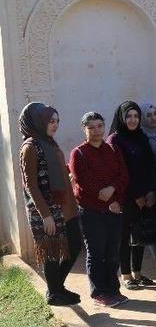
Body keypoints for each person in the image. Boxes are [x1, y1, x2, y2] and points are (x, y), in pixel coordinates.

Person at [18, 103, 82, 306]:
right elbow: (31, 185)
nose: (55, 125)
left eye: (57, 121)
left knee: (74, 245)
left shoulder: (49, 143)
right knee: (52, 251)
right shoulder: (30, 147)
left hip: (63, 205)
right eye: (50, 121)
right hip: (45, 209)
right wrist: (46, 215)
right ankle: (54, 292)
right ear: (38, 122)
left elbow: (54, 169)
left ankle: (56, 287)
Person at [69, 111, 129, 308]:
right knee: (96, 252)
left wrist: (114, 196)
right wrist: (107, 200)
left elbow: (123, 175)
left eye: (99, 126)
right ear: (84, 130)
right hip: (92, 211)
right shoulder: (78, 153)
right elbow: (84, 182)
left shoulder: (112, 149)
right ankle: (99, 292)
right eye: (91, 127)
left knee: (113, 251)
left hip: (114, 209)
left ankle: (113, 289)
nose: (96, 131)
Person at [107, 101, 156, 291]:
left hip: (145, 195)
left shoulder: (141, 138)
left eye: (136, 116)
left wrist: (151, 191)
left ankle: (138, 273)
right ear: (121, 117)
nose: (132, 120)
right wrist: (135, 194)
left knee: (140, 234)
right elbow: (118, 171)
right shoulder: (115, 140)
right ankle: (126, 274)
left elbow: (150, 167)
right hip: (126, 196)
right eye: (128, 116)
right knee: (125, 236)